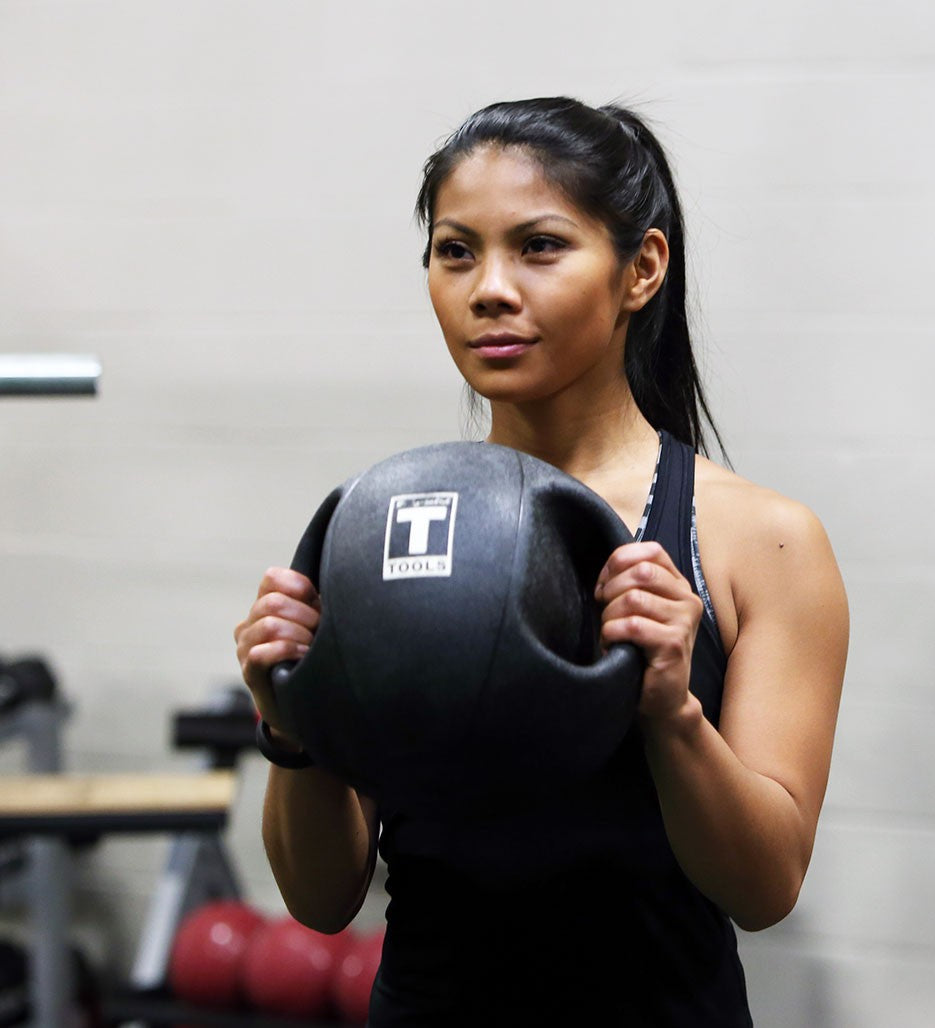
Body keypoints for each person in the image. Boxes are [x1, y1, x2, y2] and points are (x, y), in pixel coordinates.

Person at [234, 97, 849, 1026]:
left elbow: (764, 888)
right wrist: (292, 727)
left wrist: (673, 713)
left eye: (540, 247)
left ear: (641, 269)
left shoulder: (764, 542)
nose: (489, 288)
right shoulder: (387, 529)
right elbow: (321, 903)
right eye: (456, 251)